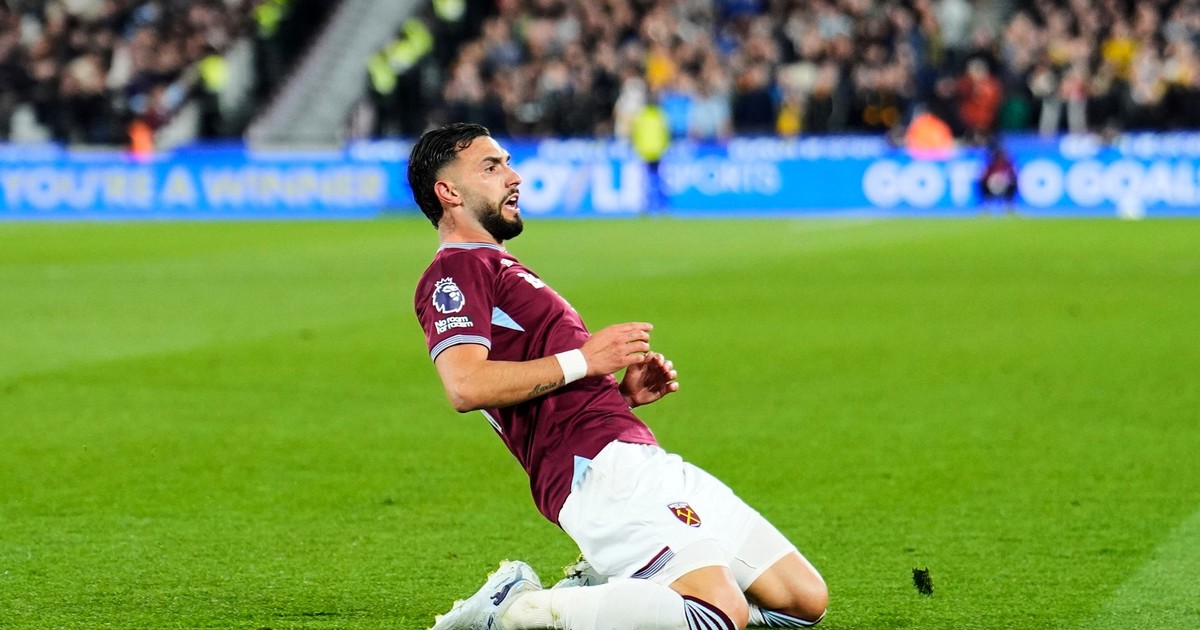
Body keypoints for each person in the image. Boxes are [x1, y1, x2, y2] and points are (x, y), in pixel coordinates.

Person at [410, 122, 828, 630]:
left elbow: (541, 384)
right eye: (491, 167)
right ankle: (518, 609)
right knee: (719, 616)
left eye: (508, 163)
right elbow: (466, 385)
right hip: (594, 469)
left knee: (802, 602)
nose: (513, 176)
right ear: (449, 192)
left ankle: (608, 591)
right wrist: (587, 361)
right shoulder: (455, 272)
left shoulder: (498, 265)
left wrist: (614, 394)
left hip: (630, 450)